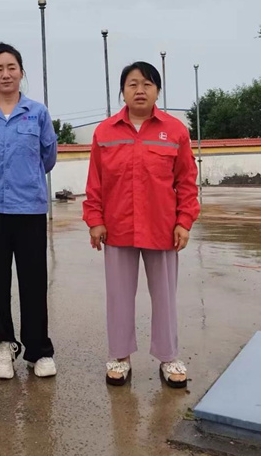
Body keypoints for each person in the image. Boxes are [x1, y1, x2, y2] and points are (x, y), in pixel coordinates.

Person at [83, 61, 199, 387]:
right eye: (132, 84)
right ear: (122, 91)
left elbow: (187, 182)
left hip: (162, 228)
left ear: (157, 91)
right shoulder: (105, 132)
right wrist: (95, 220)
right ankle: (120, 357)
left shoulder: (175, 131)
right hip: (117, 227)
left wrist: (184, 221)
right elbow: (95, 182)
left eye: (147, 84)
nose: (140, 90)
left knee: (165, 296)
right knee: (119, 296)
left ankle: (168, 357)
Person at [0, 42, 59, 380]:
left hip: (29, 208)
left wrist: (24, 177)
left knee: (33, 282)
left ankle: (38, 351)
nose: (6, 74)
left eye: (11, 68)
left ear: (21, 72)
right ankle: (3, 347)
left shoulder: (38, 113)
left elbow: (48, 156)